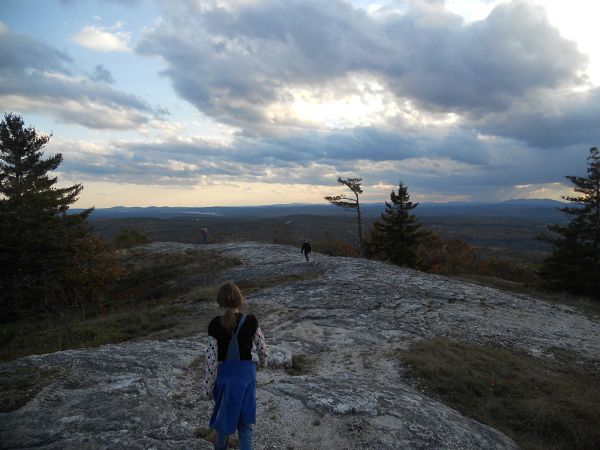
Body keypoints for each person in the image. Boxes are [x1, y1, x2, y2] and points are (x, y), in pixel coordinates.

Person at [204, 282, 268, 450]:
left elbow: (210, 360)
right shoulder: (251, 320)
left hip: (225, 378)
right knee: (245, 425)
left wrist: (208, 387)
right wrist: (263, 363)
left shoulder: (215, 324)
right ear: (240, 300)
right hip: (246, 377)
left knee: (224, 420)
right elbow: (262, 348)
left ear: (220, 302)